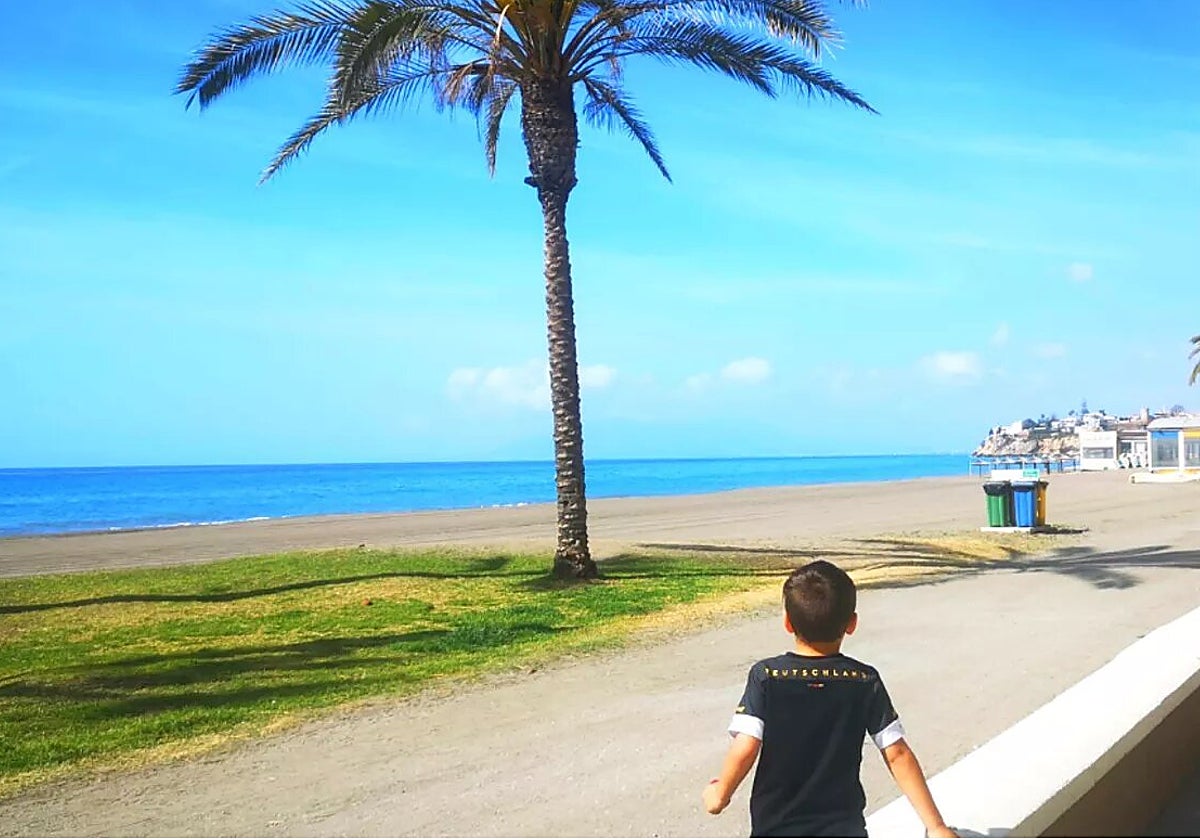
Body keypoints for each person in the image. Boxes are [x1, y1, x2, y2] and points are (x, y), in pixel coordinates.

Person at [701, 560, 955, 838]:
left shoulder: (767, 676)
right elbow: (897, 754)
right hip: (844, 830)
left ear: (787, 622)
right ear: (852, 624)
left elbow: (747, 744)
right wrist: (936, 826)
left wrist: (720, 793)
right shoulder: (863, 680)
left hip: (776, 829)